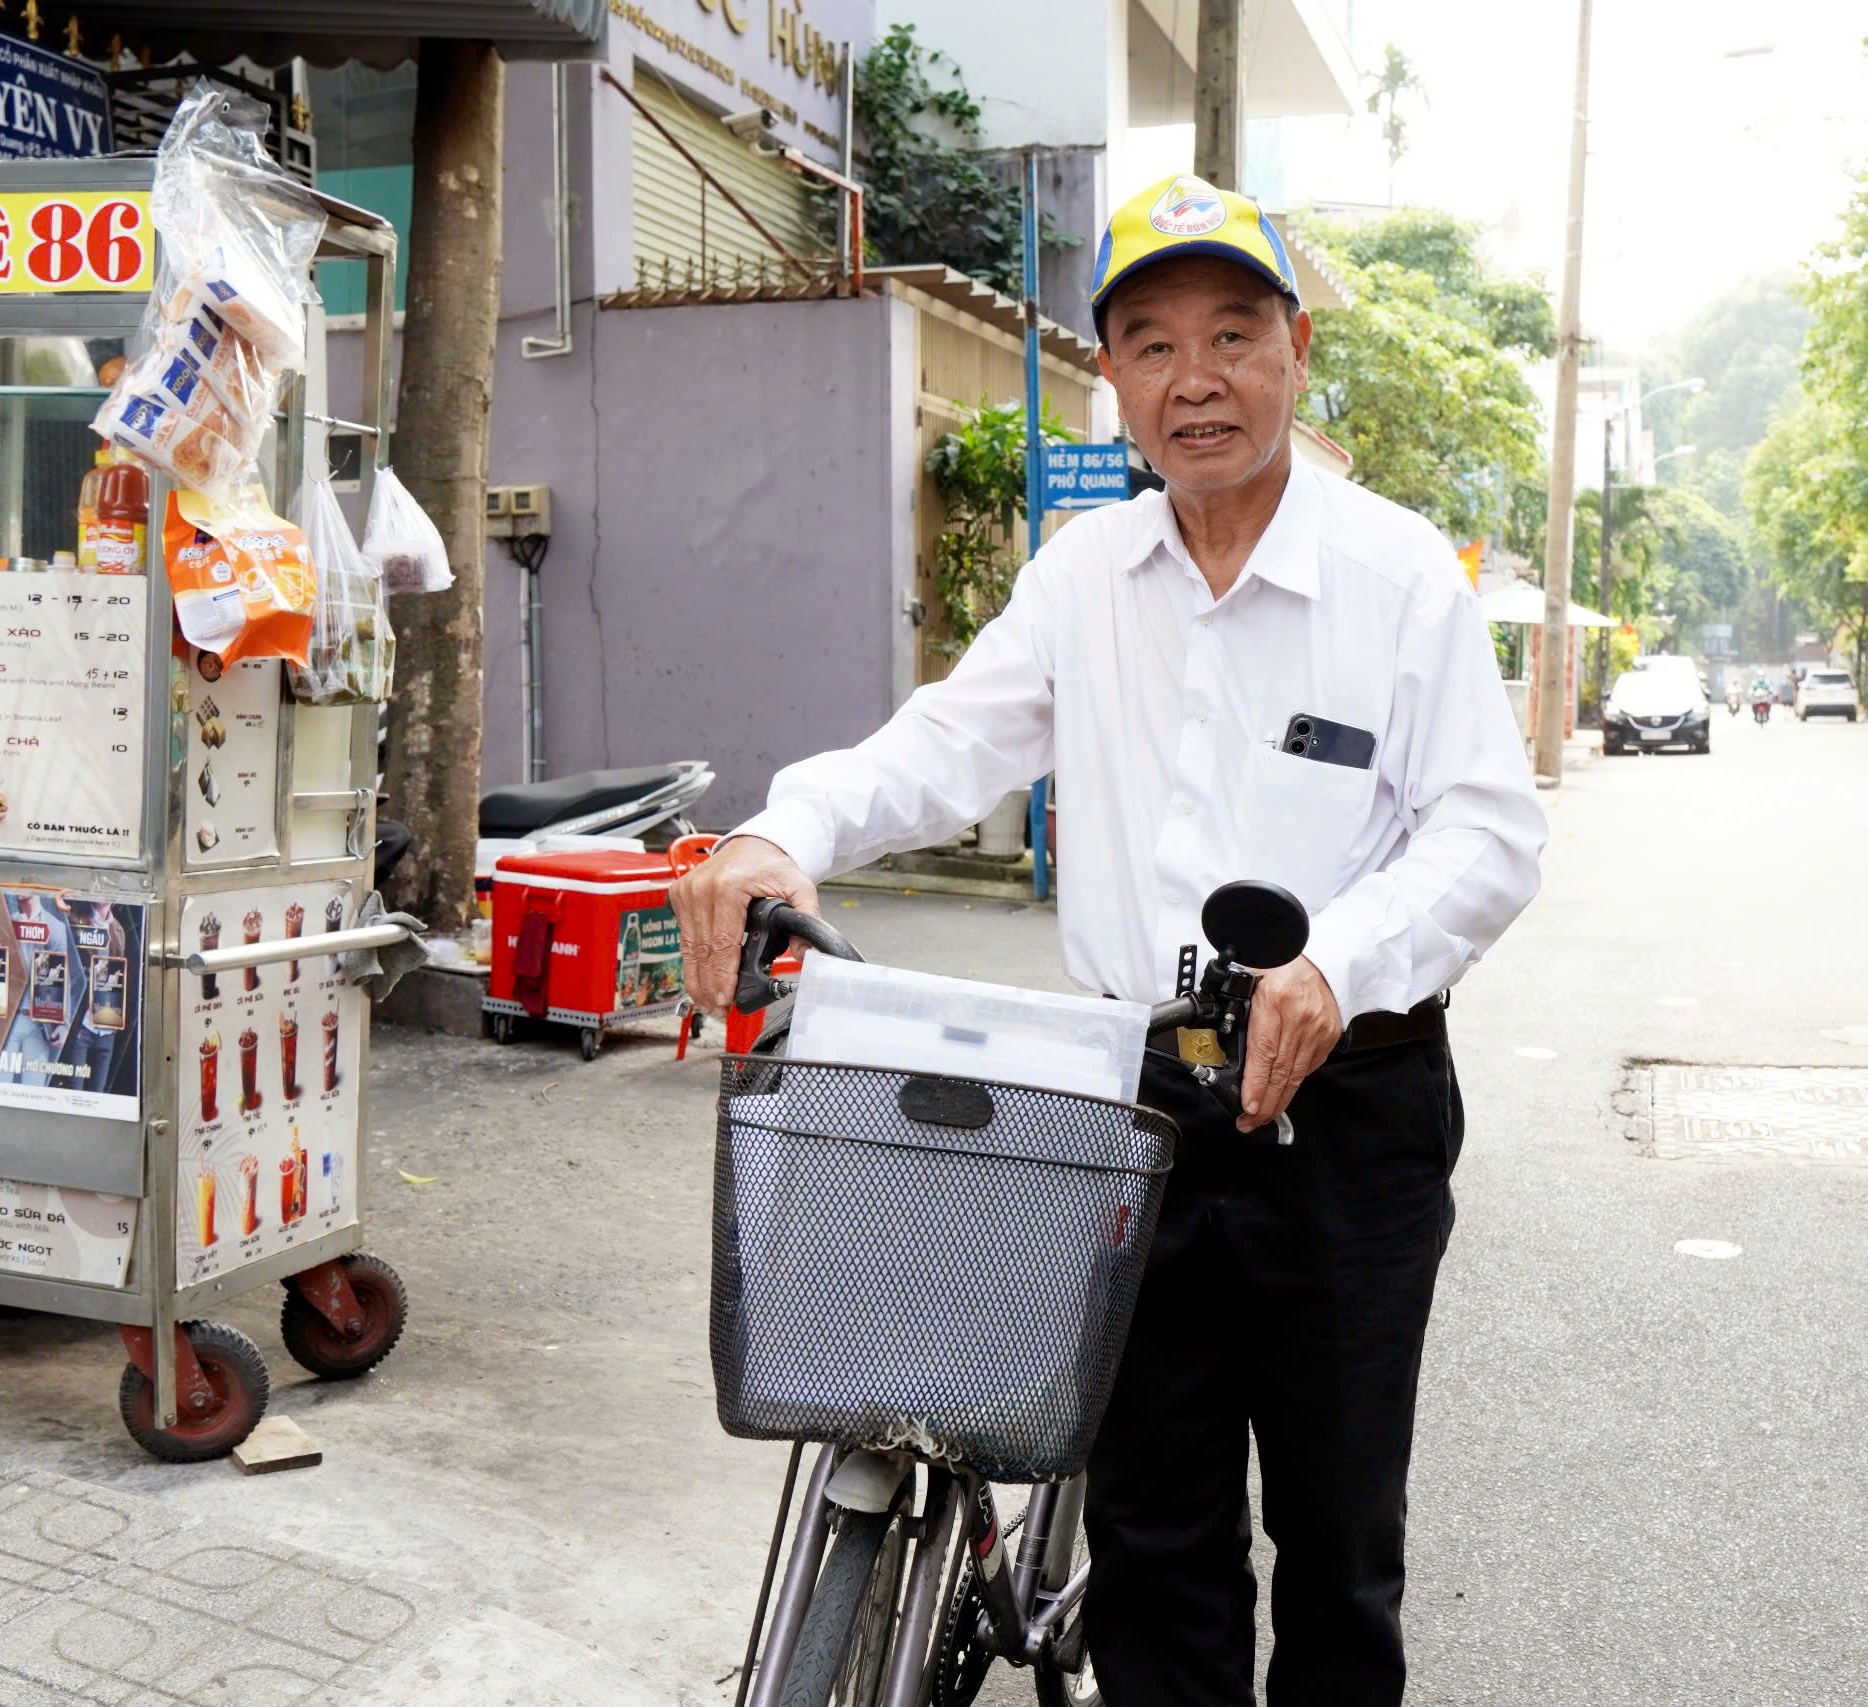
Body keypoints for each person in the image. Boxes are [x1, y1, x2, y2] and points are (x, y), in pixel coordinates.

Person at [671, 172, 1546, 1707]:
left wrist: (1337, 963)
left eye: (1233, 335)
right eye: (1153, 344)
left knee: (1340, 1542)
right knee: (1155, 1535)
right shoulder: (1085, 575)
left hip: (1349, 1111)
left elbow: (1488, 832)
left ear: (1295, 350)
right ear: (1115, 381)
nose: (1195, 378)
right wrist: (782, 830)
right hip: (1136, 1103)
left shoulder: (1397, 574)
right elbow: (946, 743)